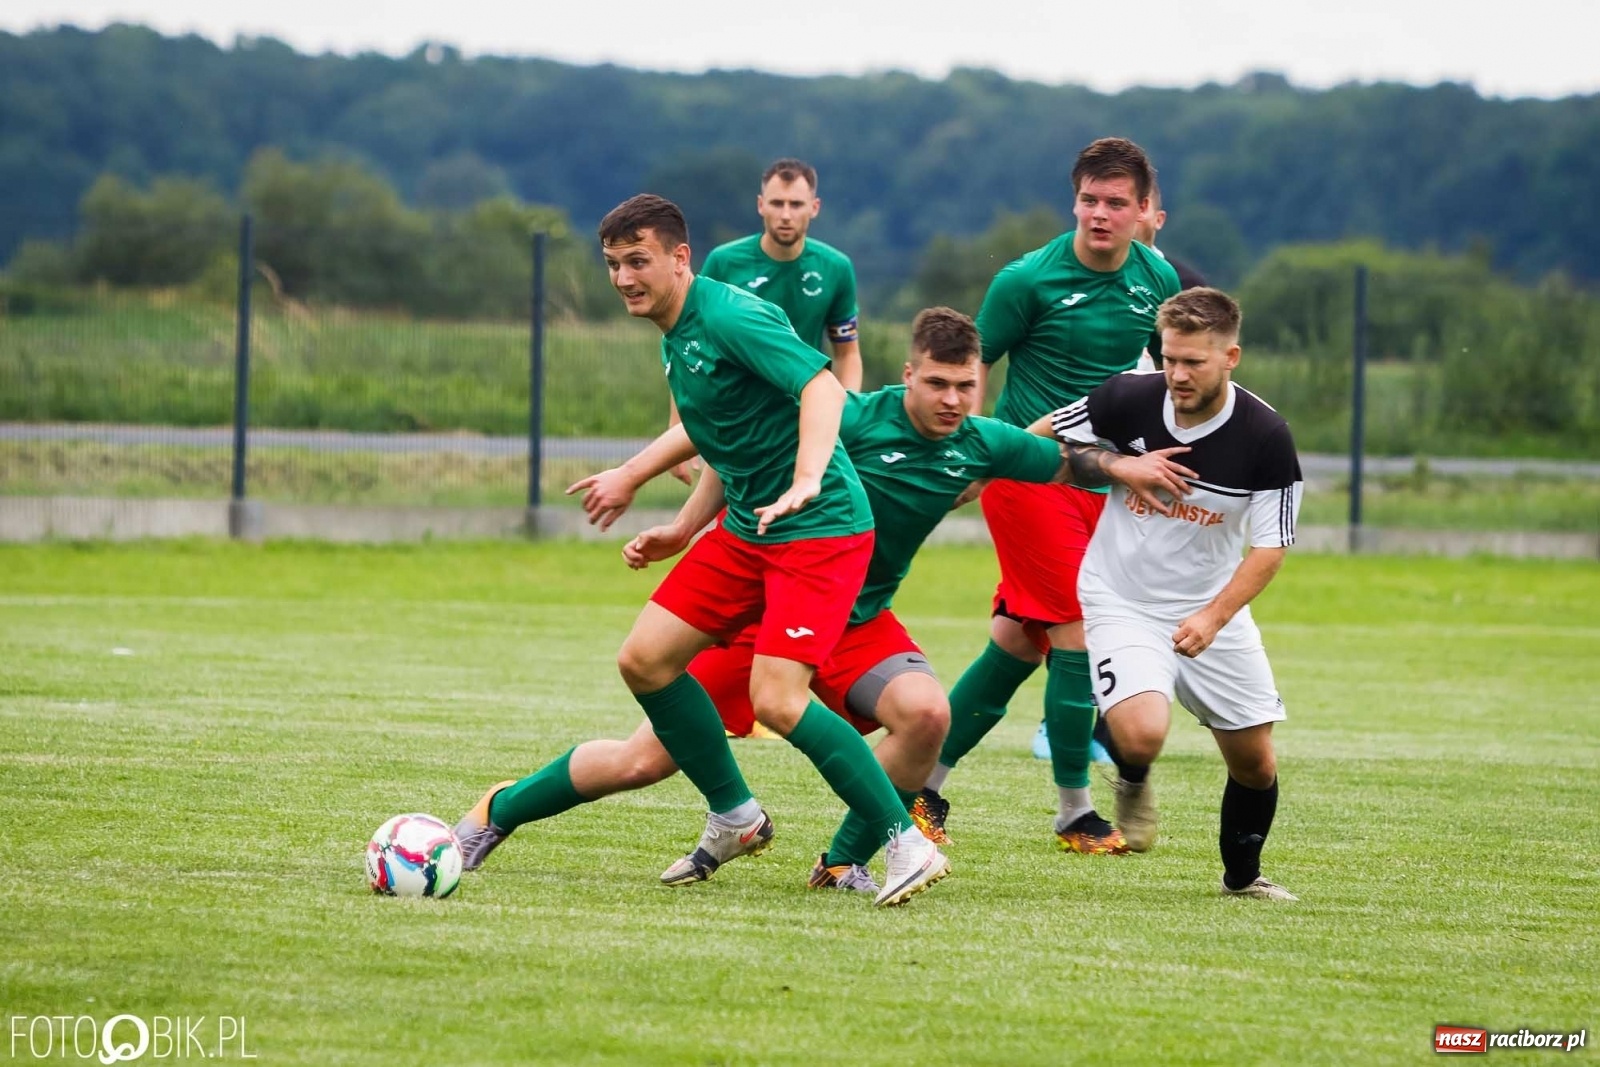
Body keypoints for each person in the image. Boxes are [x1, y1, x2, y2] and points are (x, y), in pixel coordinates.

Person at [451, 307, 1191, 893]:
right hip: (768, 613)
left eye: (966, 386)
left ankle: (843, 862)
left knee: (926, 714)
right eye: (937, 383)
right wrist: (683, 517)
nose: (952, 400)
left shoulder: (981, 441)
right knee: (643, 758)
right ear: (907, 375)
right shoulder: (857, 420)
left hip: (857, 622)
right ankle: (497, 812)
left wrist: (1130, 469)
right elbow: (736, 451)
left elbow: (1065, 460)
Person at [456, 194, 947, 907]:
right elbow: (721, 431)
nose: (625, 277)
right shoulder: (676, 331)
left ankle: (905, 841)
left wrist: (810, 474)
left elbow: (820, 386)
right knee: (645, 660)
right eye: (614, 264)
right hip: (750, 530)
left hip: (820, 528)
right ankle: (736, 815)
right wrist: (668, 510)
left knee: (777, 699)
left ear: (680, 259)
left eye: (639, 261)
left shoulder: (730, 314)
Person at [921, 137, 1181, 855]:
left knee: (1017, 642)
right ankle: (1075, 810)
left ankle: (925, 781)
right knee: (1078, 630)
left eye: (1117, 203)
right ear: (1075, 202)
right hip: (1026, 473)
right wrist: (962, 455)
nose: (1101, 214)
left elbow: (1165, 377)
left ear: (1143, 212)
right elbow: (966, 371)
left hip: (1101, 483)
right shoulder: (1026, 280)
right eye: (1090, 200)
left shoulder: (1154, 278)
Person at [1033, 286, 1303, 900]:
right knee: (1143, 732)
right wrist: (1118, 466)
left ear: (1230, 357)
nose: (1176, 374)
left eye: (1194, 362)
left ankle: (1243, 879)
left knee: (1256, 762)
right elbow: (1046, 441)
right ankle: (1132, 777)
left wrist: (1213, 617)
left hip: (1212, 609)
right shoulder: (1126, 397)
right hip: (1119, 597)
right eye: (1170, 357)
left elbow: (1271, 547)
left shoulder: (1265, 436)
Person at [700, 158, 863, 389]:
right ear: (760, 205)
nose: (786, 215)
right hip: (737, 410)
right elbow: (695, 345)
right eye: (777, 203)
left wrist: (847, 414)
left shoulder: (836, 268)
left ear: (814, 207)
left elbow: (847, 354)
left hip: (803, 405)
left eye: (796, 204)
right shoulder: (723, 263)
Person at [1134, 178, 1209, 291]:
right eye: (1117, 206)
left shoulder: (1186, 283)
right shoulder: (1099, 277)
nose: (1128, 218)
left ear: (1159, 220)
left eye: (1141, 209)